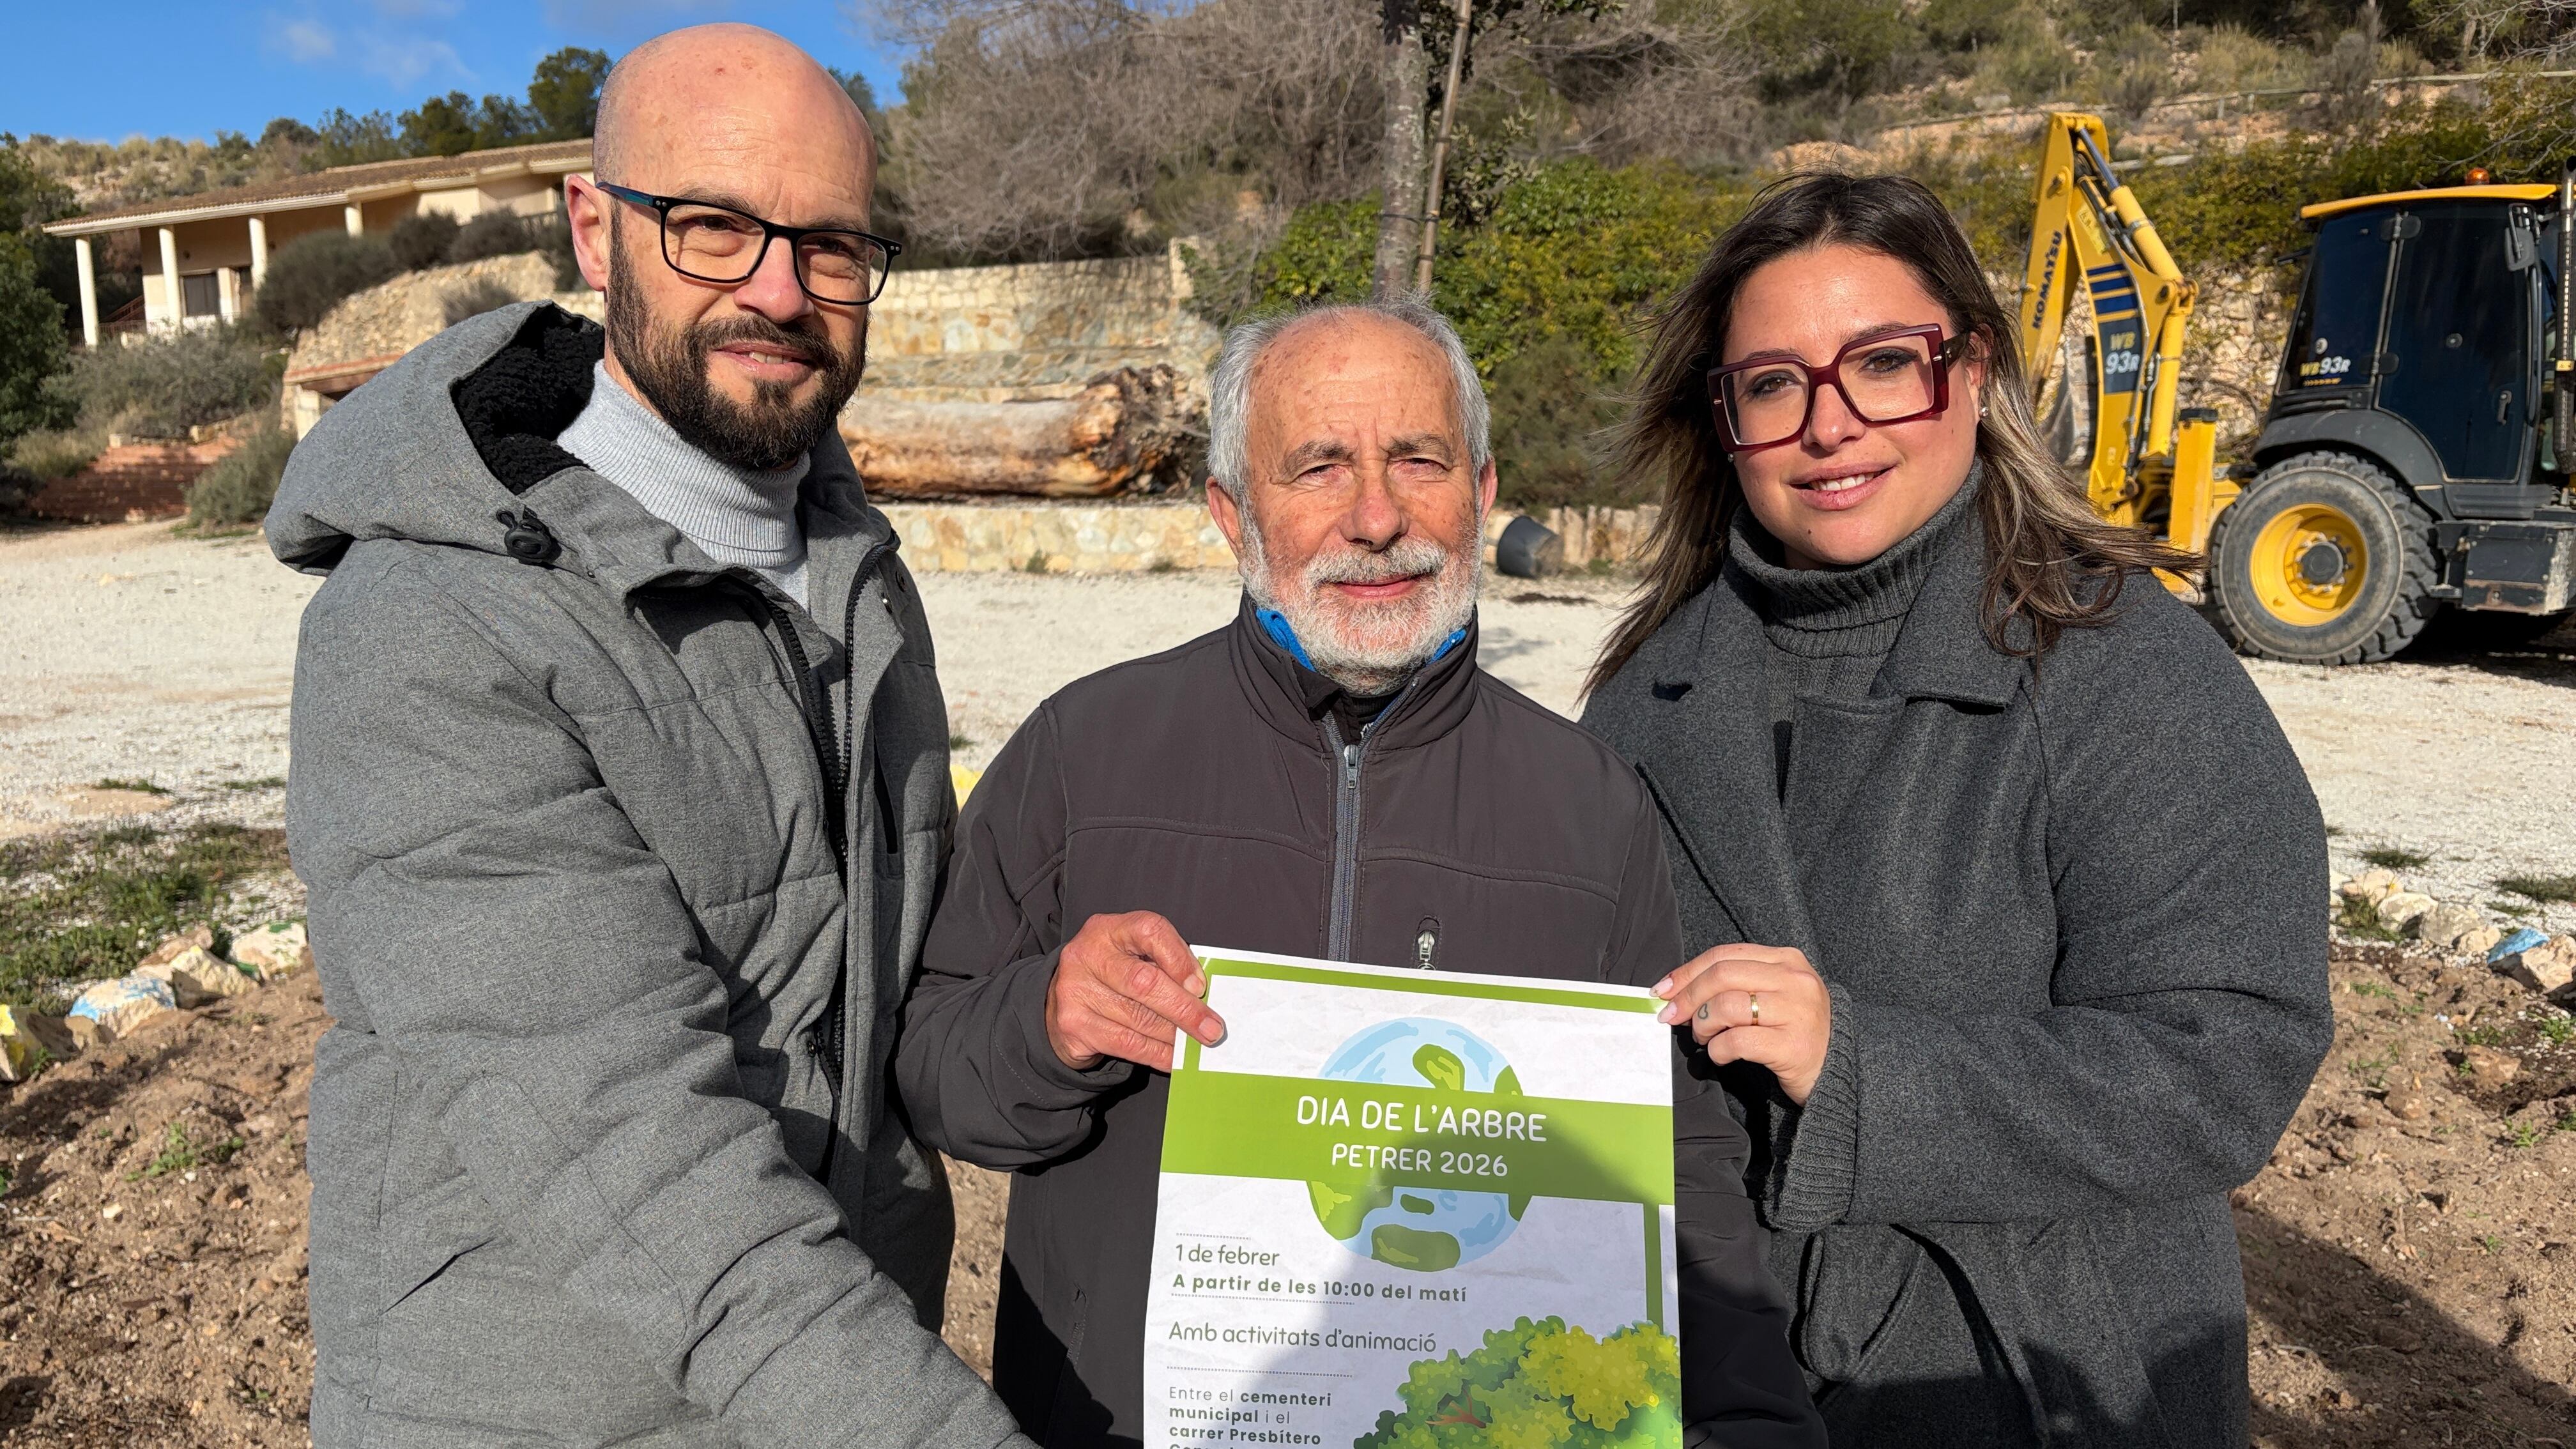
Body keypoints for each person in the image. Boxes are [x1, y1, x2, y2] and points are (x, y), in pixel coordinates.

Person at [266, 25, 1027, 1448]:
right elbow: (638, 1158)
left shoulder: (851, 569)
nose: (780, 290)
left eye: (831, 245)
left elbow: (878, 987)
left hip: (821, 1378)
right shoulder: (432, 621)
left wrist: (1048, 1010)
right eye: (715, 226)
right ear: (594, 228)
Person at [894, 298, 1824, 1449]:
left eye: (1417, 461)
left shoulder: (1593, 805)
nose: (1376, 517)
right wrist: (1044, 1025)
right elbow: (931, 1069)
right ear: (1233, 514)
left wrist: (1753, 1420)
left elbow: (1674, 1156)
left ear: (1482, 493)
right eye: (1318, 466)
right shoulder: (1085, 751)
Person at [1576, 172, 2333, 1446]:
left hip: (2036, 1385)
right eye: (1772, 384)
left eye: (1881, 364)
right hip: (1711, 1373)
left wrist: (1866, 1073)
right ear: (1723, 422)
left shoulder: (2125, 671)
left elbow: (2227, 1059)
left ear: (1972, 371)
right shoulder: (1643, 697)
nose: (1830, 427)